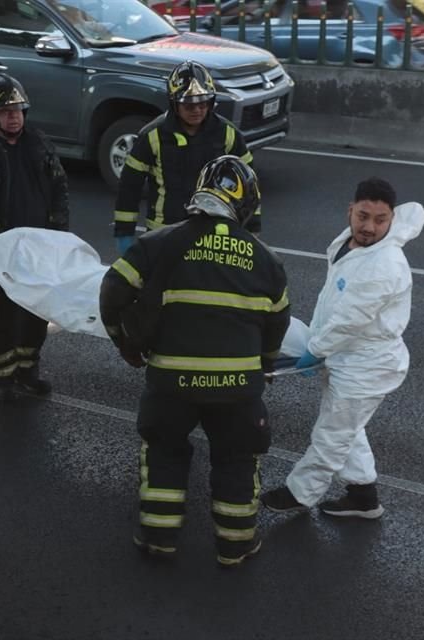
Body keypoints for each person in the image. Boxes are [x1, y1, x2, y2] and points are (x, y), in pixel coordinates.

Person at [99, 156, 290, 567]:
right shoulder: (268, 261)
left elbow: (112, 290)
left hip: (172, 381)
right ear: (246, 204)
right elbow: (277, 324)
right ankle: (235, 547)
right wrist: (264, 365)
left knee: (165, 451)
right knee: (237, 459)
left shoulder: (159, 242)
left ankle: (158, 540)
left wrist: (123, 342)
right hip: (238, 388)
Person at [261, 178, 424, 519]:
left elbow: (350, 320)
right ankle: (363, 496)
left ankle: (300, 493)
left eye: (380, 220)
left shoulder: (385, 265)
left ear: (391, 219)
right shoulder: (349, 244)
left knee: (331, 434)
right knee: (349, 427)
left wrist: (316, 350)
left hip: (366, 365)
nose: (369, 227)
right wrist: (321, 348)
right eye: (363, 216)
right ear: (350, 210)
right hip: (344, 353)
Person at [0, 73, 70, 403]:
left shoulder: (39, 143)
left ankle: (27, 373)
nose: (14, 116)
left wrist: (58, 234)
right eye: (6, 111)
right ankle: (4, 380)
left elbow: (59, 188)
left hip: (36, 249)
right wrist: (3, 245)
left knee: (35, 314)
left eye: (18, 110)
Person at [112, 61, 259, 256]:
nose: (197, 110)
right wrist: (124, 233)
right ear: (174, 103)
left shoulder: (227, 135)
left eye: (203, 102)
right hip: (163, 234)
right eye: (189, 105)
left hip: (213, 235)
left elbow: (249, 187)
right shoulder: (152, 136)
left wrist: (252, 230)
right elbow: (129, 188)